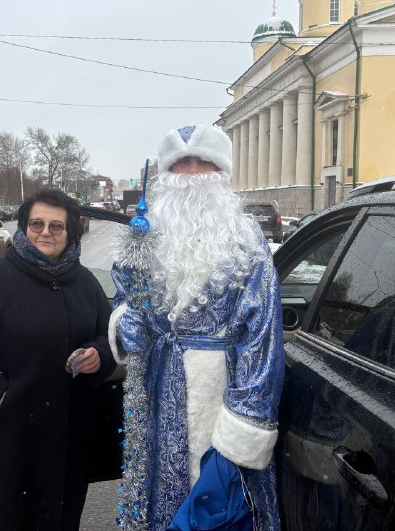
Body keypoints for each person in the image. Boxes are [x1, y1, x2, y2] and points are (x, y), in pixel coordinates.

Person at [109, 125, 283, 531]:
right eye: (180, 164)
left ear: (221, 171)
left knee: (219, 507)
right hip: (158, 390)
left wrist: (242, 427)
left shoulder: (247, 240)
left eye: (202, 162)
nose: (191, 173)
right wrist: (125, 325)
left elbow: (262, 340)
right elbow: (124, 298)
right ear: (166, 174)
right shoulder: (145, 235)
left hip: (219, 395)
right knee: (158, 497)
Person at [0, 188, 115, 531]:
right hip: (12, 432)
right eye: (37, 224)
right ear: (24, 227)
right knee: (8, 516)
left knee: (62, 514)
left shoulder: (84, 282)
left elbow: (108, 334)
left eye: (56, 226)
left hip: (70, 431)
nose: (45, 233)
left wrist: (101, 355)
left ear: (70, 232)